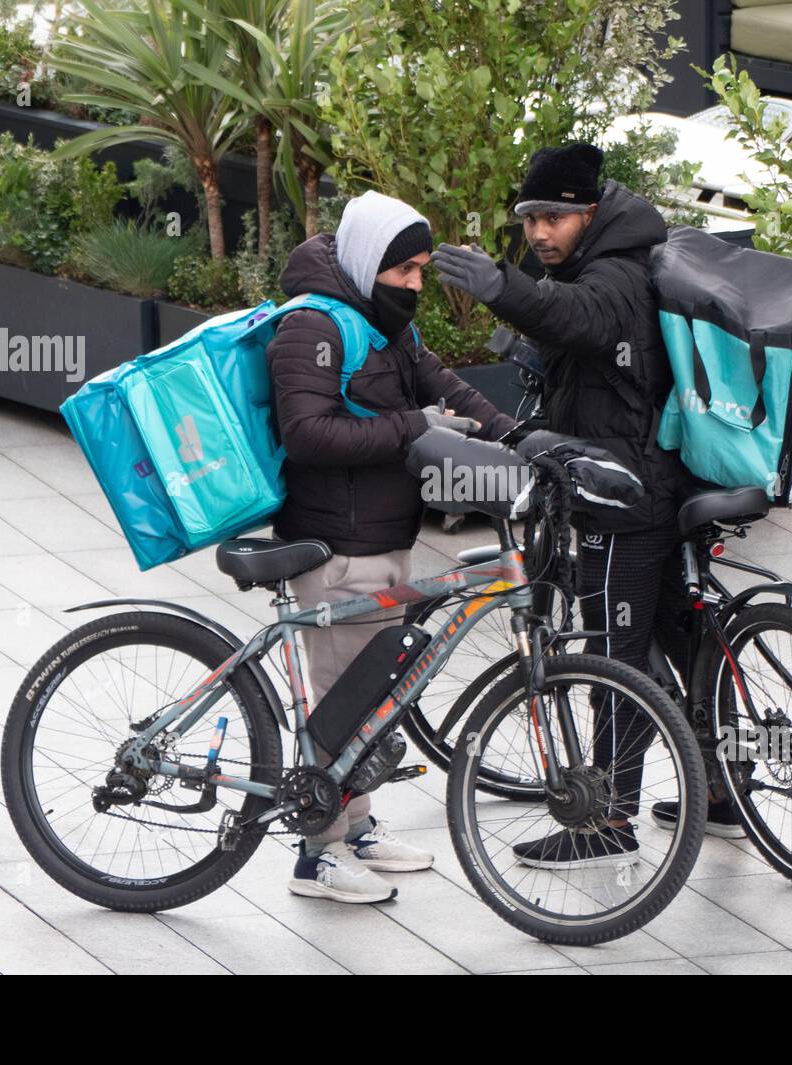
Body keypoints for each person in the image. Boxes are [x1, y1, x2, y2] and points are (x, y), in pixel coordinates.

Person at [432, 143, 746, 868]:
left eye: (555, 217)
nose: (541, 233)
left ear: (591, 211)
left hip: (623, 496)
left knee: (614, 657)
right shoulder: (619, 254)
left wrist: (499, 285)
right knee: (683, 640)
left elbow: (578, 318)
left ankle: (607, 819)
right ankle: (726, 786)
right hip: (660, 484)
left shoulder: (617, 273)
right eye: (530, 219)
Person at [266, 190, 516, 902]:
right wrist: (413, 426)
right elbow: (307, 434)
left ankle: (358, 826)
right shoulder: (312, 326)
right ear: (368, 261)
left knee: (367, 702)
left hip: (383, 540)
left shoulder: (385, 328)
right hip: (334, 547)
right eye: (403, 269)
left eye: (422, 269)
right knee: (341, 704)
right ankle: (318, 854)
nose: (414, 283)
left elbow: (451, 391)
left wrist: (526, 441)